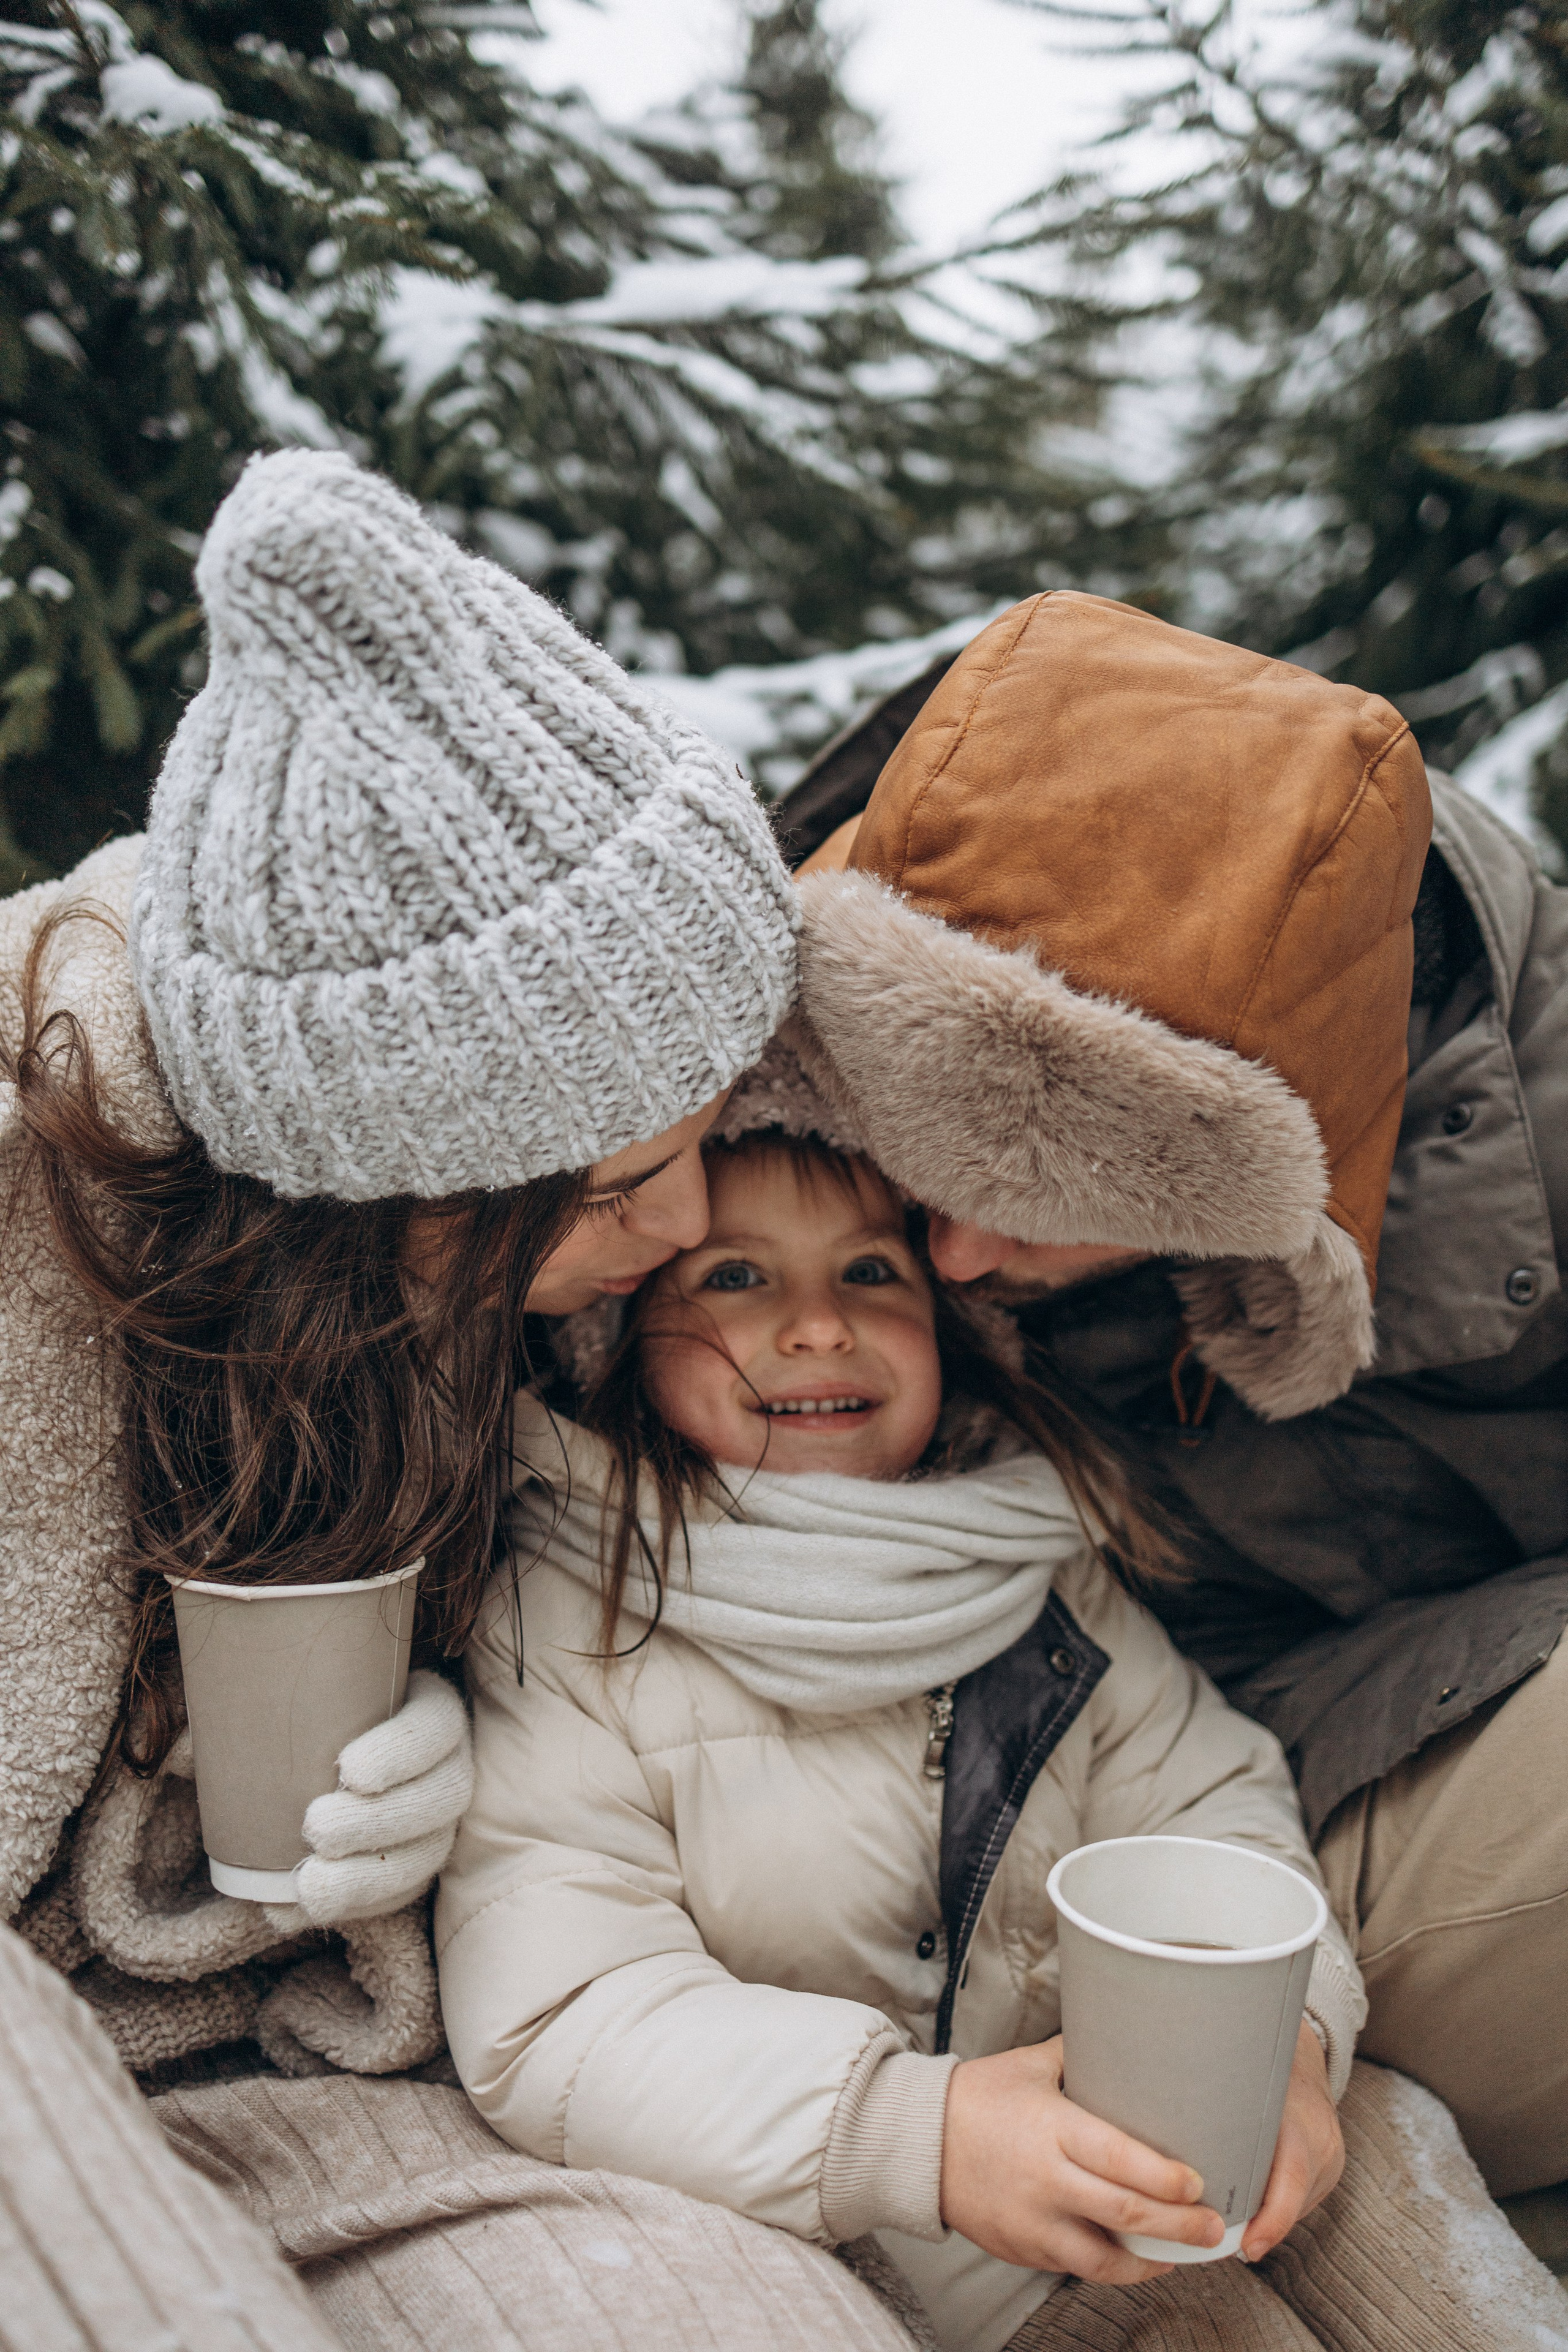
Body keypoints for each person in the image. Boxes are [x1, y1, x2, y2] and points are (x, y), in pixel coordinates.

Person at [0, 450, 918, 2352]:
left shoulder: (486, 1284)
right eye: (600, 1193)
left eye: (692, 1148)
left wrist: (427, 1760)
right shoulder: (37, 1210)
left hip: (296, 2066)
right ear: (343, 1177)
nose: (680, 1235)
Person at [436, 1095, 1568, 2352]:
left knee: (1399, 2202)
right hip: (847, 2235)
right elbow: (562, 2012)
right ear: (616, 1342)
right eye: (736, 1277)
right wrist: (921, 2135)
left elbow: (1203, 1806)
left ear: (948, 1326)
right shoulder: (571, 1620)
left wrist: (1289, 2036)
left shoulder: (1036, 1571)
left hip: (1131, 2182)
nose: (817, 1324)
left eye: (871, 1271)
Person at [774, 585, 1568, 2198]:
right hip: (1057, 1808)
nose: (954, 1246)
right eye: (925, 1156)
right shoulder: (776, 1053)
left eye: (1061, 1190)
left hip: (1374, 1736)